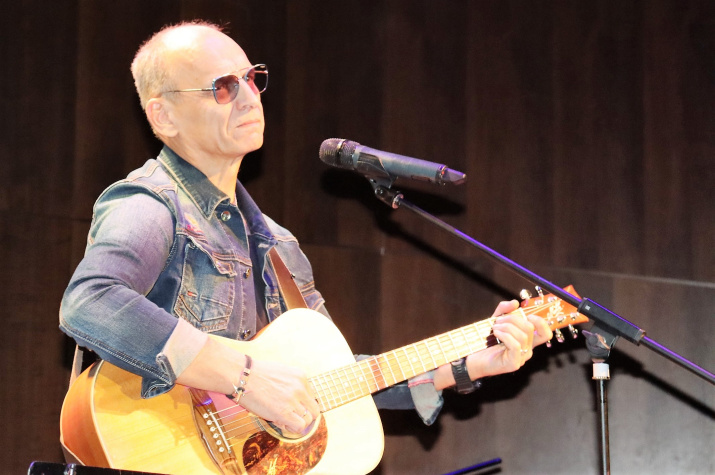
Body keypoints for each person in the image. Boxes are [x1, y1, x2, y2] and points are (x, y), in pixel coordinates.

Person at [59, 20, 552, 439]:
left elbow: (330, 380)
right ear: (163, 115)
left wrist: (471, 361)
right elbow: (91, 302)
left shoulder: (280, 245)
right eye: (223, 87)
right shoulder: (151, 203)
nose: (249, 98)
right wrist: (243, 379)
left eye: (252, 79)